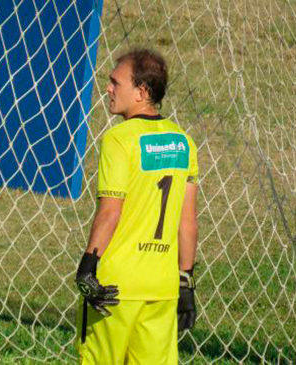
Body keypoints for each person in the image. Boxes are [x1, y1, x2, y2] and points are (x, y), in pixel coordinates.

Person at [75, 49, 199, 364]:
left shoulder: (119, 140)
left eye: (116, 83)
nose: (108, 89)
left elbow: (110, 212)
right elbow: (187, 222)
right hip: (162, 287)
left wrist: (87, 268)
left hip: (115, 288)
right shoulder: (183, 142)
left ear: (142, 92)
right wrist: (185, 279)